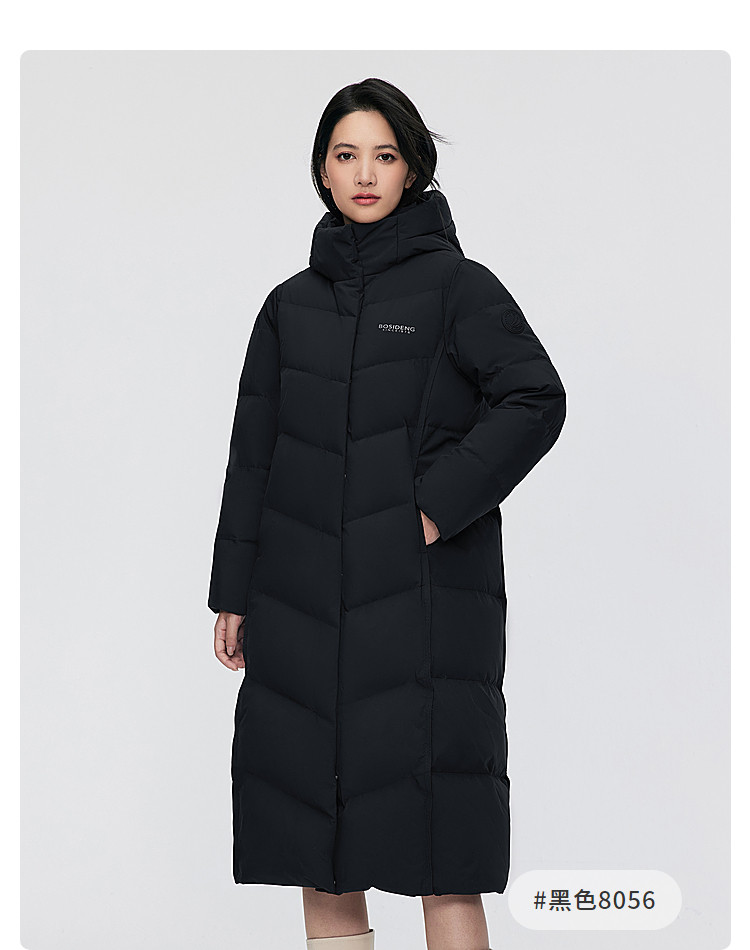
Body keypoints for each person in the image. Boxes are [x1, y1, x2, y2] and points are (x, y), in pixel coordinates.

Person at [208, 78, 566, 950]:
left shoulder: (459, 288)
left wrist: (437, 507)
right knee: (319, 844)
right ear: (323, 171)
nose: (365, 174)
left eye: (385, 155)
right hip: (300, 606)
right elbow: (253, 456)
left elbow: (535, 397)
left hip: (422, 610)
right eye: (346, 155)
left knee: (441, 849)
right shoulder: (288, 307)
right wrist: (233, 593)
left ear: (412, 169)